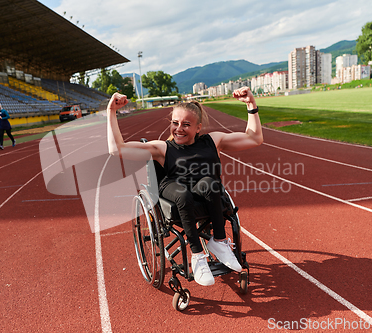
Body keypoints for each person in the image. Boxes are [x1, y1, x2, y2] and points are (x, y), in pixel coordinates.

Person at [107, 87, 263, 286]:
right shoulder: (162, 148)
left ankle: (219, 242)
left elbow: (255, 138)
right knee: (184, 194)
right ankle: (198, 255)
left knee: (211, 183)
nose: (178, 129)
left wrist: (251, 105)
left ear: (198, 127)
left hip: (204, 192)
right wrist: (112, 111)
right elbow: (116, 150)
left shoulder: (213, 141)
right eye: (175, 123)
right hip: (172, 189)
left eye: (186, 124)